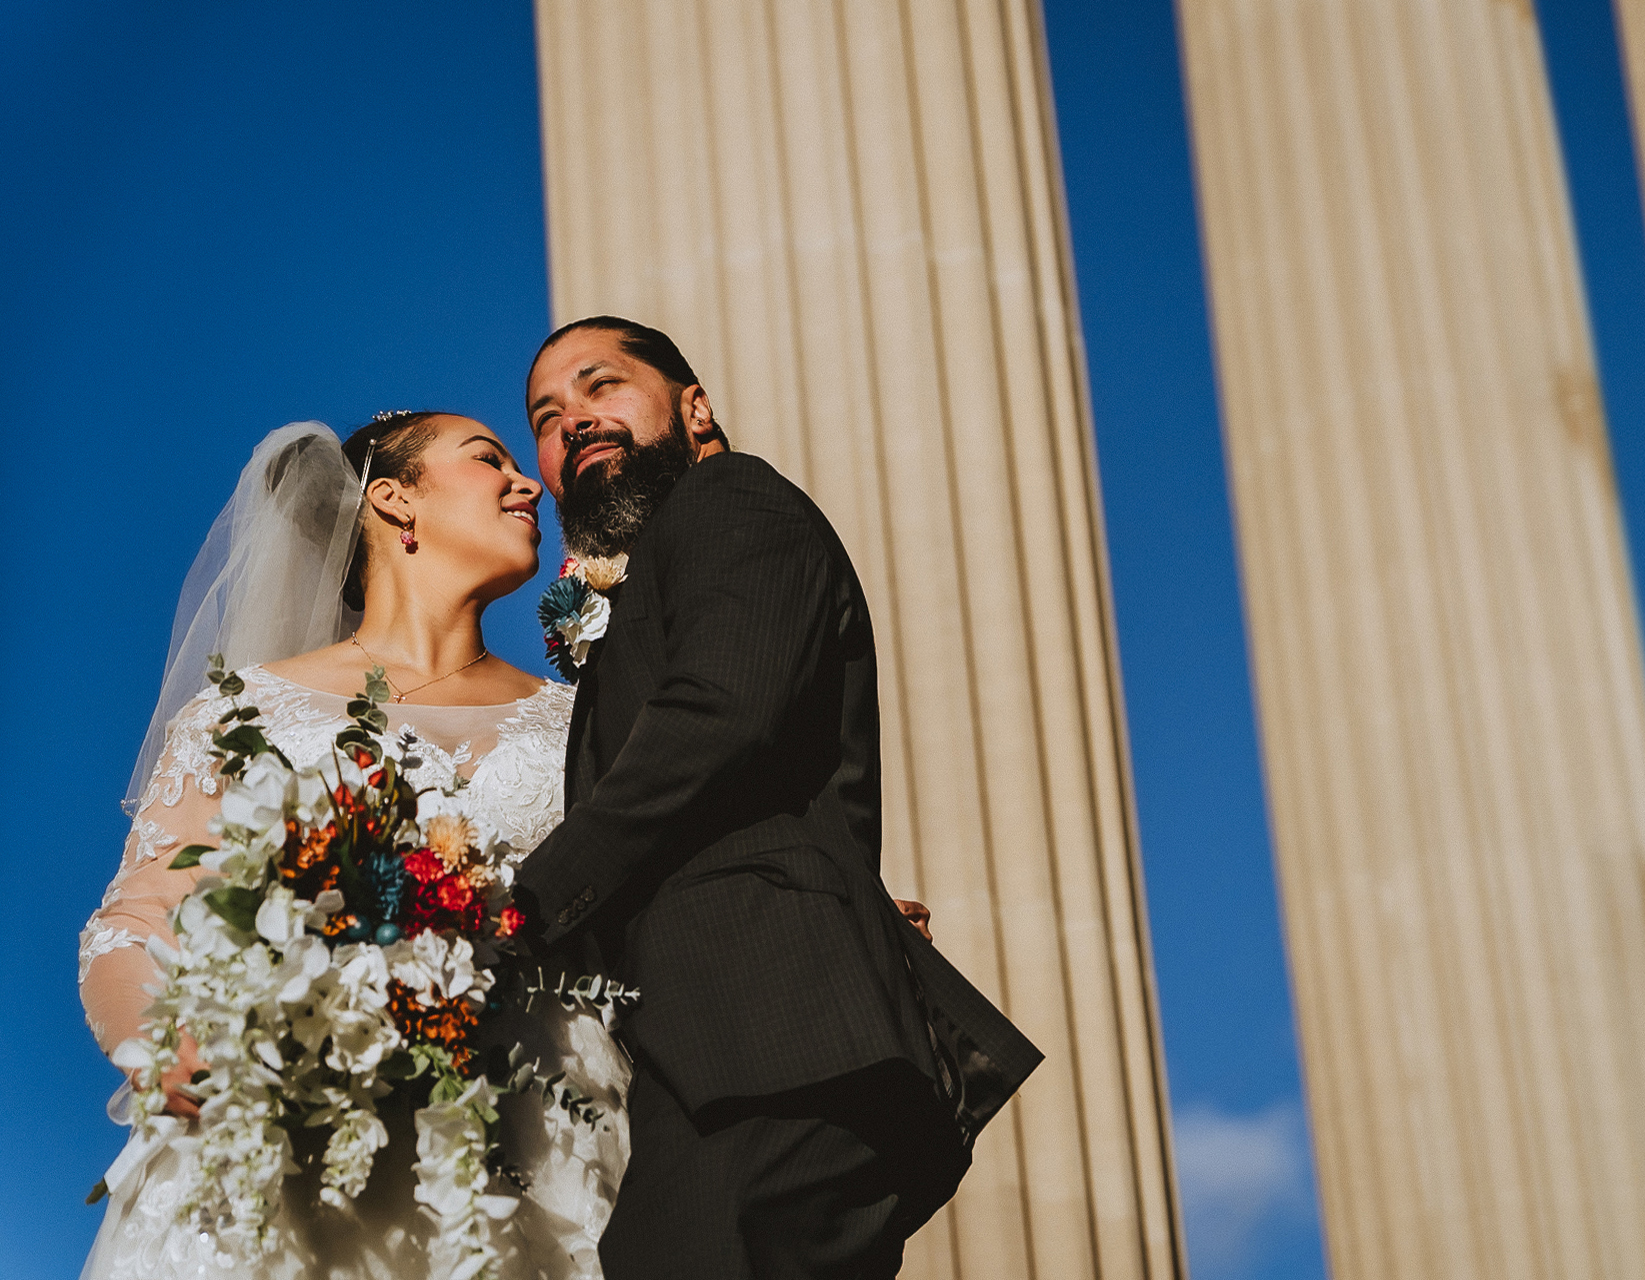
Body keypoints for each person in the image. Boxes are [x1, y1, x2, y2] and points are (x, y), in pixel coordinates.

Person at [514, 316, 1044, 1279]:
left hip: (777, 1042)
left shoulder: (731, 498)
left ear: (696, 407)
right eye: (548, 417)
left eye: (602, 387)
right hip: (715, 1054)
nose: (575, 422)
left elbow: (723, 712)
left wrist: (532, 902)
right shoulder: (653, 575)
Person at [79, 414, 629, 1278]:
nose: (529, 485)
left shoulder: (585, 723)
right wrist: (164, 1047)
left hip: (541, 1154)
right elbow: (136, 918)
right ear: (392, 497)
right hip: (294, 1148)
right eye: (491, 460)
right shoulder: (242, 713)